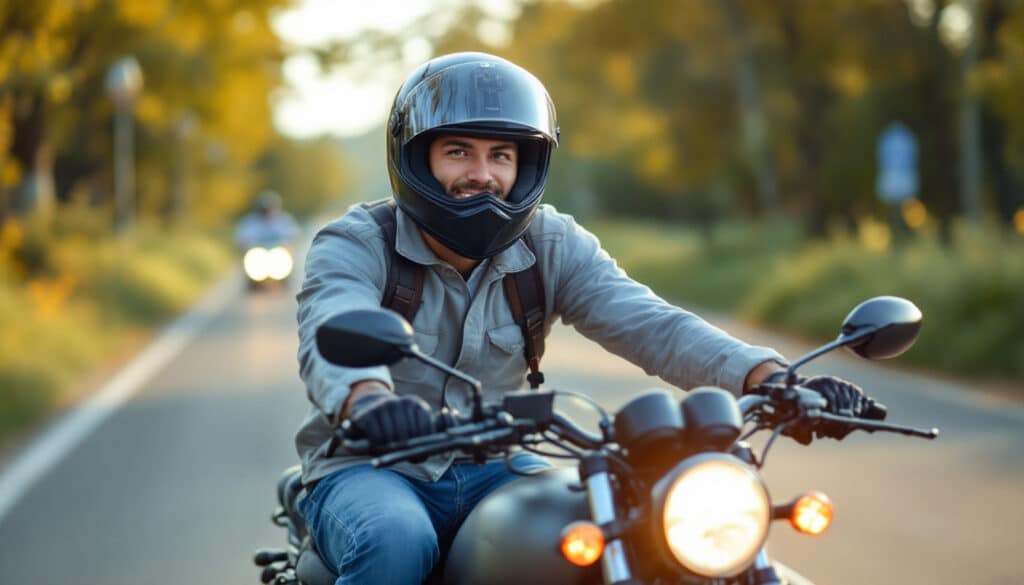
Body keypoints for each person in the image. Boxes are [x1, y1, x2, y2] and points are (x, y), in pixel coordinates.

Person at [294, 52, 877, 585]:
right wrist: (368, 400)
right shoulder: (358, 242)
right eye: (458, 152)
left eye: (501, 155)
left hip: (498, 465)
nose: (483, 174)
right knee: (396, 541)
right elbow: (333, 320)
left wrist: (769, 378)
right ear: (416, 158)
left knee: (620, 527)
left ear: (525, 166)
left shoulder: (550, 242)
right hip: (370, 467)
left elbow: (650, 322)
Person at [234, 189, 299, 250]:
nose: (267, 211)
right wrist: (245, 245)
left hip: (279, 254)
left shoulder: (285, 220)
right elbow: (242, 238)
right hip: (256, 254)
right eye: (264, 209)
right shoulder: (250, 222)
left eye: (270, 208)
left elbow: (294, 235)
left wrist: (290, 244)